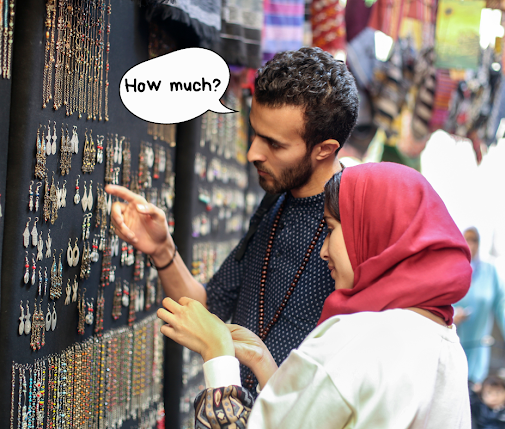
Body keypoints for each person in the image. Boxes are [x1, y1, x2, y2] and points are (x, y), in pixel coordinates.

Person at [106, 47, 359, 393]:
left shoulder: (356, 222)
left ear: (324, 149)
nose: (253, 153)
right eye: (254, 133)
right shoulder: (275, 202)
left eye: (274, 144)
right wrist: (162, 249)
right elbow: (207, 307)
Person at [157, 162, 473, 428]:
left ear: (372, 233)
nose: (324, 250)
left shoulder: (359, 339)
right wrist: (265, 364)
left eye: (332, 230)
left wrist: (217, 354)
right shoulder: (445, 344)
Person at [454, 226, 505, 389]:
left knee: (475, 389)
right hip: (454, 339)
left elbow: (502, 301)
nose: (470, 244)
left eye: (474, 240)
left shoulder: (489, 271)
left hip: (479, 343)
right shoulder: (452, 268)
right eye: (467, 239)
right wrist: (452, 316)